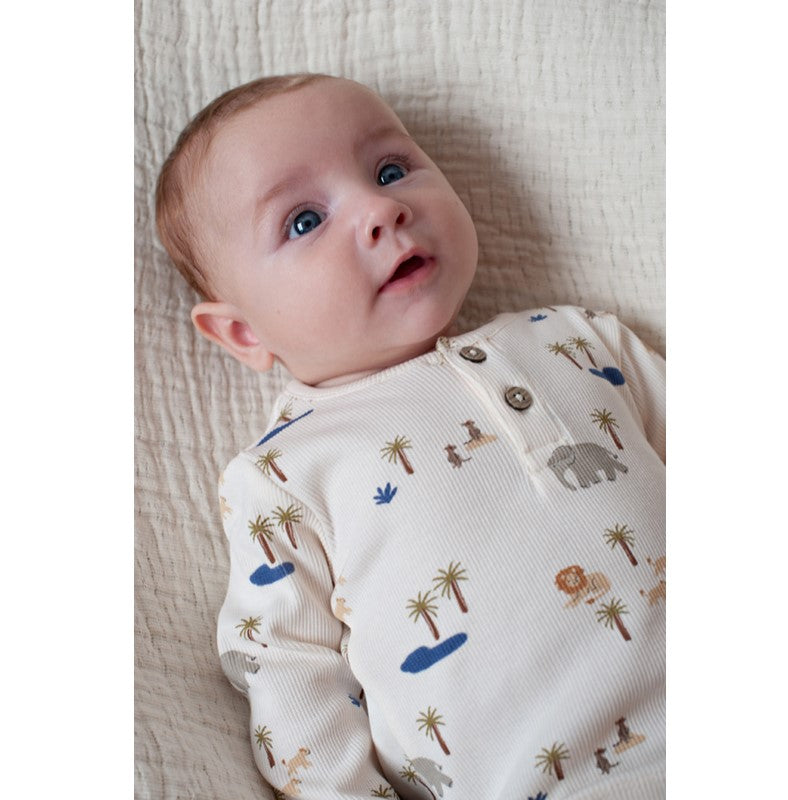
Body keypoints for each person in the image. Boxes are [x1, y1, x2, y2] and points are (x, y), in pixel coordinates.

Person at [155, 73, 665, 799]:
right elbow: (287, 671)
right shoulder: (284, 473)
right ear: (243, 332)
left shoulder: (579, 340)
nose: (380, 207)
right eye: (304, 221)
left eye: (390, 170)